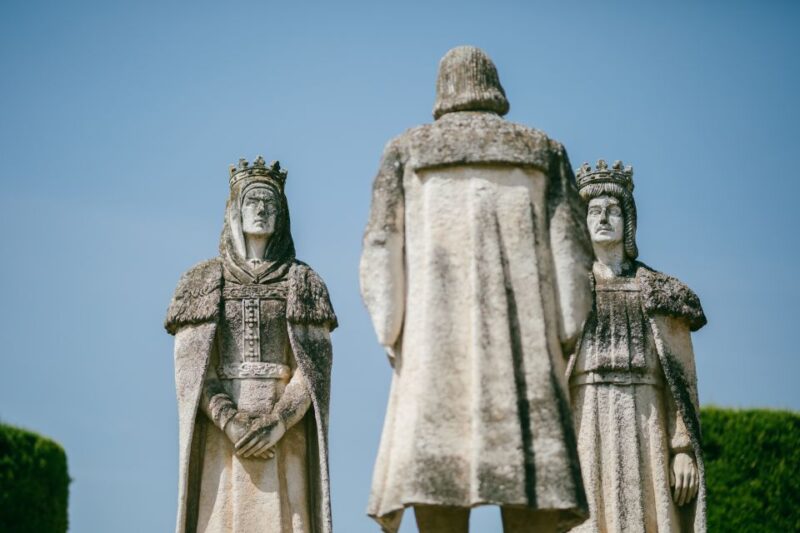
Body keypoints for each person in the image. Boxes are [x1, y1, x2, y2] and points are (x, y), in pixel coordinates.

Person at [360, 46, 593, 533]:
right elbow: (572, 255)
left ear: (442, 91)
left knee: (436, 485)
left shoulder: (407, 150)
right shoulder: (544, 152)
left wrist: (391, 330)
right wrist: (566, 332)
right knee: (532, 491)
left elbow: (381, 248)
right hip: (525, 356)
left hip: (434, 350)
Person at [165, 157, 337, 533]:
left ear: (282, 213)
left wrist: (277, 423)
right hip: (222, 439)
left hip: (285, 438)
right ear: (234, 211)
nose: (261, 210)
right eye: (252, 201)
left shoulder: (303, 283)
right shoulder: (204, 281)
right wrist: (230, 421)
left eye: (270, 203)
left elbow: (312, 371)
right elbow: (194, 372)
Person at [568, 160, 707, 532]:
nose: (603, 218)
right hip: (586, 415)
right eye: (594, 211)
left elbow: (682, 381)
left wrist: (682, 450)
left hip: (646, 419)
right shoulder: (565, 293)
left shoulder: (661, 294)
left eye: (613, 211)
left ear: (627, 221)